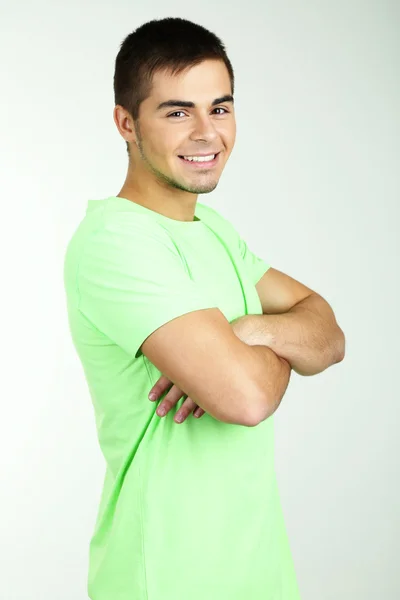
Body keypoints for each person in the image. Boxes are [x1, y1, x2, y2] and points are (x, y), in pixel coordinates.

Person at [63, 17, 345, 600]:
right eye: (175, 111)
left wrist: (245, 332)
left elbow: (328, 334)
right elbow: (245, 400)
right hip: (165, 574)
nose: (206, 133)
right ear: (126, 123)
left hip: (258, 569)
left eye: (219, 108)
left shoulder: (213, 229)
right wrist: (273, 347)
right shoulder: (115, 241)